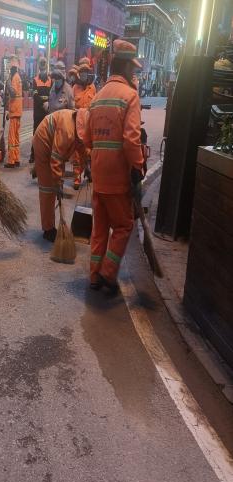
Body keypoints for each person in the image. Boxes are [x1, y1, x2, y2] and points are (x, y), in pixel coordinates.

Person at [83, 39, 144, 294]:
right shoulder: (130, 96)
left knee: (99, 228)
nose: (134, 73)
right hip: (118, 175)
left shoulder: (97, 97)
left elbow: (87, 138)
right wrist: (138, 167)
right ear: (127, 67)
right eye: (134, 68)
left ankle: (94, 275)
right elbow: (132, 139)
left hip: (99, 173)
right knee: (123, 225)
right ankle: (108, 273)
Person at [33, 108, 88, 242]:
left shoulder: (79, 126)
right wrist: (57, 182)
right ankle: (48, 229)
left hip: (55, 145)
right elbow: (56, 159)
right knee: (48, 188)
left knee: (55, 180)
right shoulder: (67, 131)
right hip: (43, 143)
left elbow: (82, 149)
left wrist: (87, 163)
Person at [72, 58, 96, 189]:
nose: (83, 74)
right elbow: (71, 106)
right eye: (81, 72)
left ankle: (88, 170)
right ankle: (77, 178)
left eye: (85, 72)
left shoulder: (93, 88)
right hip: (76, 124)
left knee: (88, 151)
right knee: (77, 152)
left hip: (89, 125)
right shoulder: (75, 88)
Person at [29, 57, 52, 164]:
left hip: (47, 110)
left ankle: (45, 154)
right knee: (36, 132)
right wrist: (43, 103)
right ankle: (33, 154)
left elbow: (52, 95)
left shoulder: (50, 80)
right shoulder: (35, 80)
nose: (42, 68)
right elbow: (35, 95)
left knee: (47, 133)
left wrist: (48, 103)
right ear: (39, 67)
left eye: (44, 64)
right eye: (41, 65)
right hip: (38, 111)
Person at [4, 56, 22, 168]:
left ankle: (11, 160)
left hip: (15, 110)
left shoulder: (15, 78)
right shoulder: (17, 77)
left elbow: (13, 93)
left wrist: (8, 82)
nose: (10, 70)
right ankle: (16, 158)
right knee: (16, 137)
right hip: (17, 110)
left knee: (12, 137)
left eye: (11, 68)